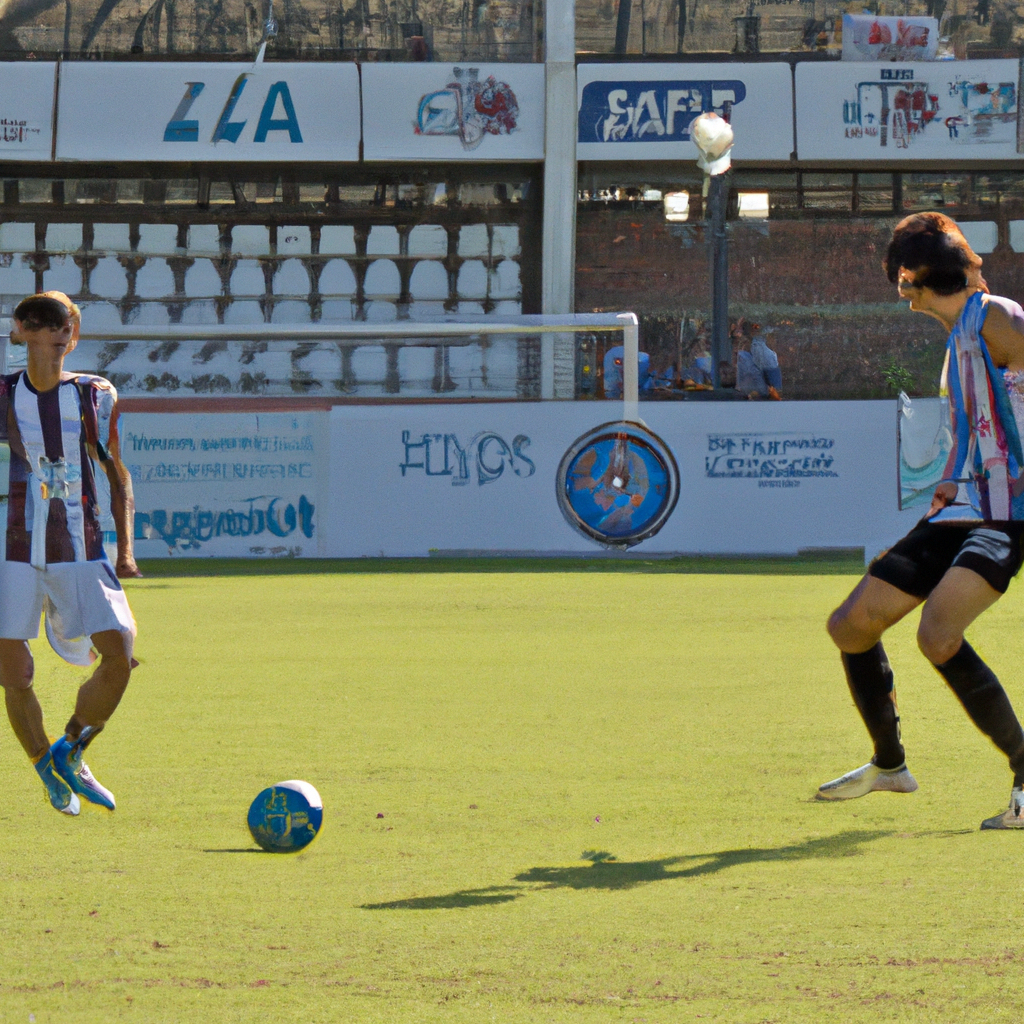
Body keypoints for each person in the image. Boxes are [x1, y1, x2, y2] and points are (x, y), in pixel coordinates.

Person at [819, 211, 1024, 829]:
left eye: (899, 275)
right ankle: (890, 766)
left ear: (911, 278)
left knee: (937, 635)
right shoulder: (962, 328)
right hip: (964, 505)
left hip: (1009, 511)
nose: (897, 286)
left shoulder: (993, 317)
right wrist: (951, 473)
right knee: (852, 626)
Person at [0, 292, 140, 817]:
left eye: (64, 328)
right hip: (10, 548)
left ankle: (71, 749)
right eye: (42, 328)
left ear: (73, 336)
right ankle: (43, 765)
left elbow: (116, 472)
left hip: (81, 545)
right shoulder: (2, 394)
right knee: (14, 676)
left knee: (120, 657)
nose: (56, 336)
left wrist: (126, 548)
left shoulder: (95, 395)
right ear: (20, 333)